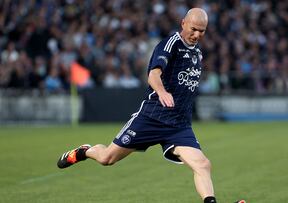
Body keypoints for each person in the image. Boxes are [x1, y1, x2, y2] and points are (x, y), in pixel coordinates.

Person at [57, 8, 222, 203]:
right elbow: (153, 74)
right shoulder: (170, 45)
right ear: (183, 22)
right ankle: (84, 151)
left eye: (202, 31)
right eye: (194, 29)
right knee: (107, 158)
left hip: (179, 125)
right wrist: (162, 92)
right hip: (152, 117)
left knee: (202, 164)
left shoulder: (198, 53)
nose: (197, 35)